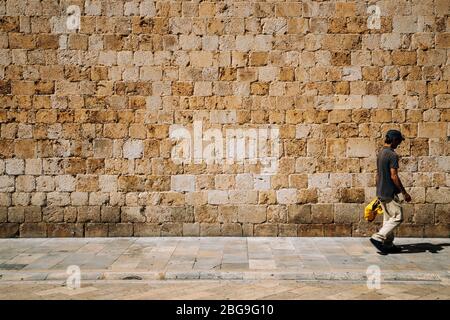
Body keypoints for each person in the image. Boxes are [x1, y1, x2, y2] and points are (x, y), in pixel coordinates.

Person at [370, 129, 412, 254]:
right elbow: (394, 176)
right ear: (394, 140)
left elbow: (378, 174)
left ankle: (388, 244)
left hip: (381, 191)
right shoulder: (392, 155)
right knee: (398, 216)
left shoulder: (381, 153)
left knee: (388, 218)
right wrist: (404, 193)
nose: (399, 144)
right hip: (389, 192)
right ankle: (377, 237)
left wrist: (378, 190)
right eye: (398, 141)